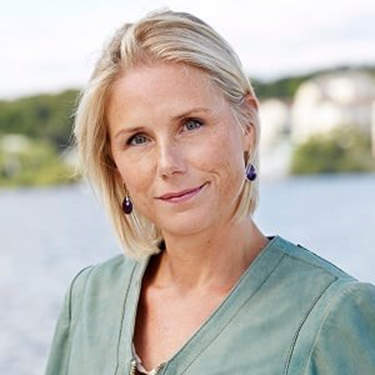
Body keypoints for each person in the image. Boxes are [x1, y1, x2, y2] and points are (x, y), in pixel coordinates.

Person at [45, 10, 375, 375]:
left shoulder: (335, 316)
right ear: (114, 163)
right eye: (138, 139)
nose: (167, 163)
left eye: (191, 124)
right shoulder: (89, 299)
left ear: (247, 125)